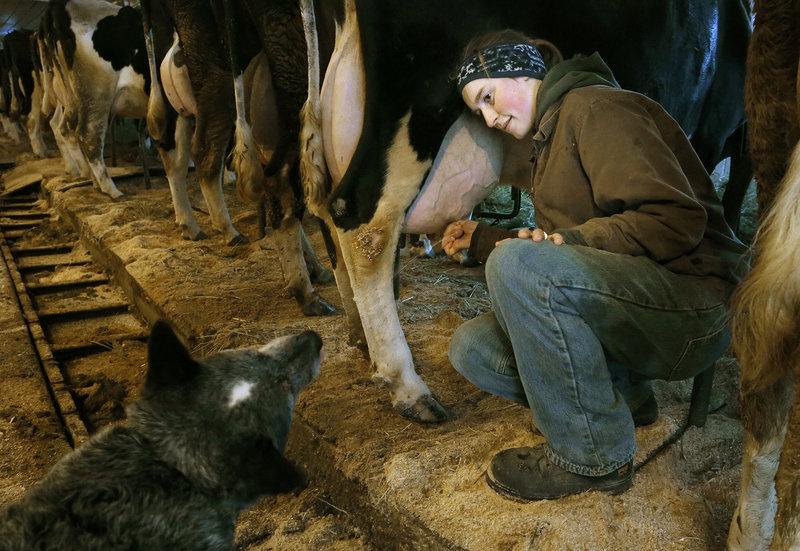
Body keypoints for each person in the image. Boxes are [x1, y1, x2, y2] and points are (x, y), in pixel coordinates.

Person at [443, 30, 749, 501]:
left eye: (488, 96)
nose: (489, 116)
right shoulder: (550, 134)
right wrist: (486, 239)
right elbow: (572, 254)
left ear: (523, 69)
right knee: (472, 347)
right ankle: (625, 397)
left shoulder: (596, 109)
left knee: (518, 265)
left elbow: (675, 220)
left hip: (693, 305)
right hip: (633, 305)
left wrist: (561, 243)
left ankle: (593, 458)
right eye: (478, 111)